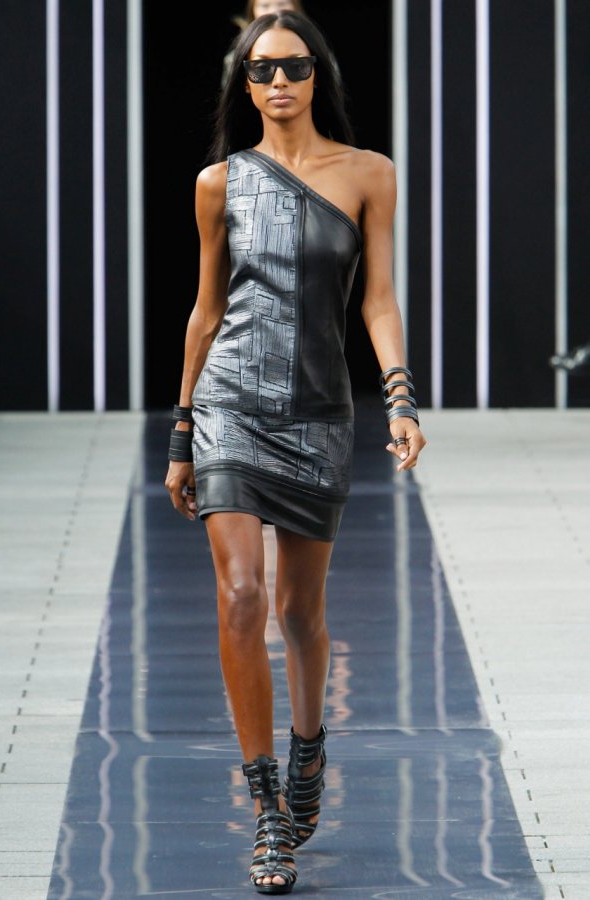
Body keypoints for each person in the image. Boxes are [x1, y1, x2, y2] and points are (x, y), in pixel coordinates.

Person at [165, 11, 426, 894]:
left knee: (299, 613)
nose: (277, 81)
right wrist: (182, 431)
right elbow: (206, 311)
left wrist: (399, 397)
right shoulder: (218, 184)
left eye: (293, 66)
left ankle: (309, 748)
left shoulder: (368, 174)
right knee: (241, 595)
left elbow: (377, 299)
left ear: (318, 75)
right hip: (230, 405)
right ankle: (267, 808)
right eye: (261, 69)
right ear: (243, 84)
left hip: (318, 412)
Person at [222, 0, 305, 87]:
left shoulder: (309, 41)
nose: (273, 10)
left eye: (282, 4)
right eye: (265, 6)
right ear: (253, 11)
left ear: (295, 6)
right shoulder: (236, 57)